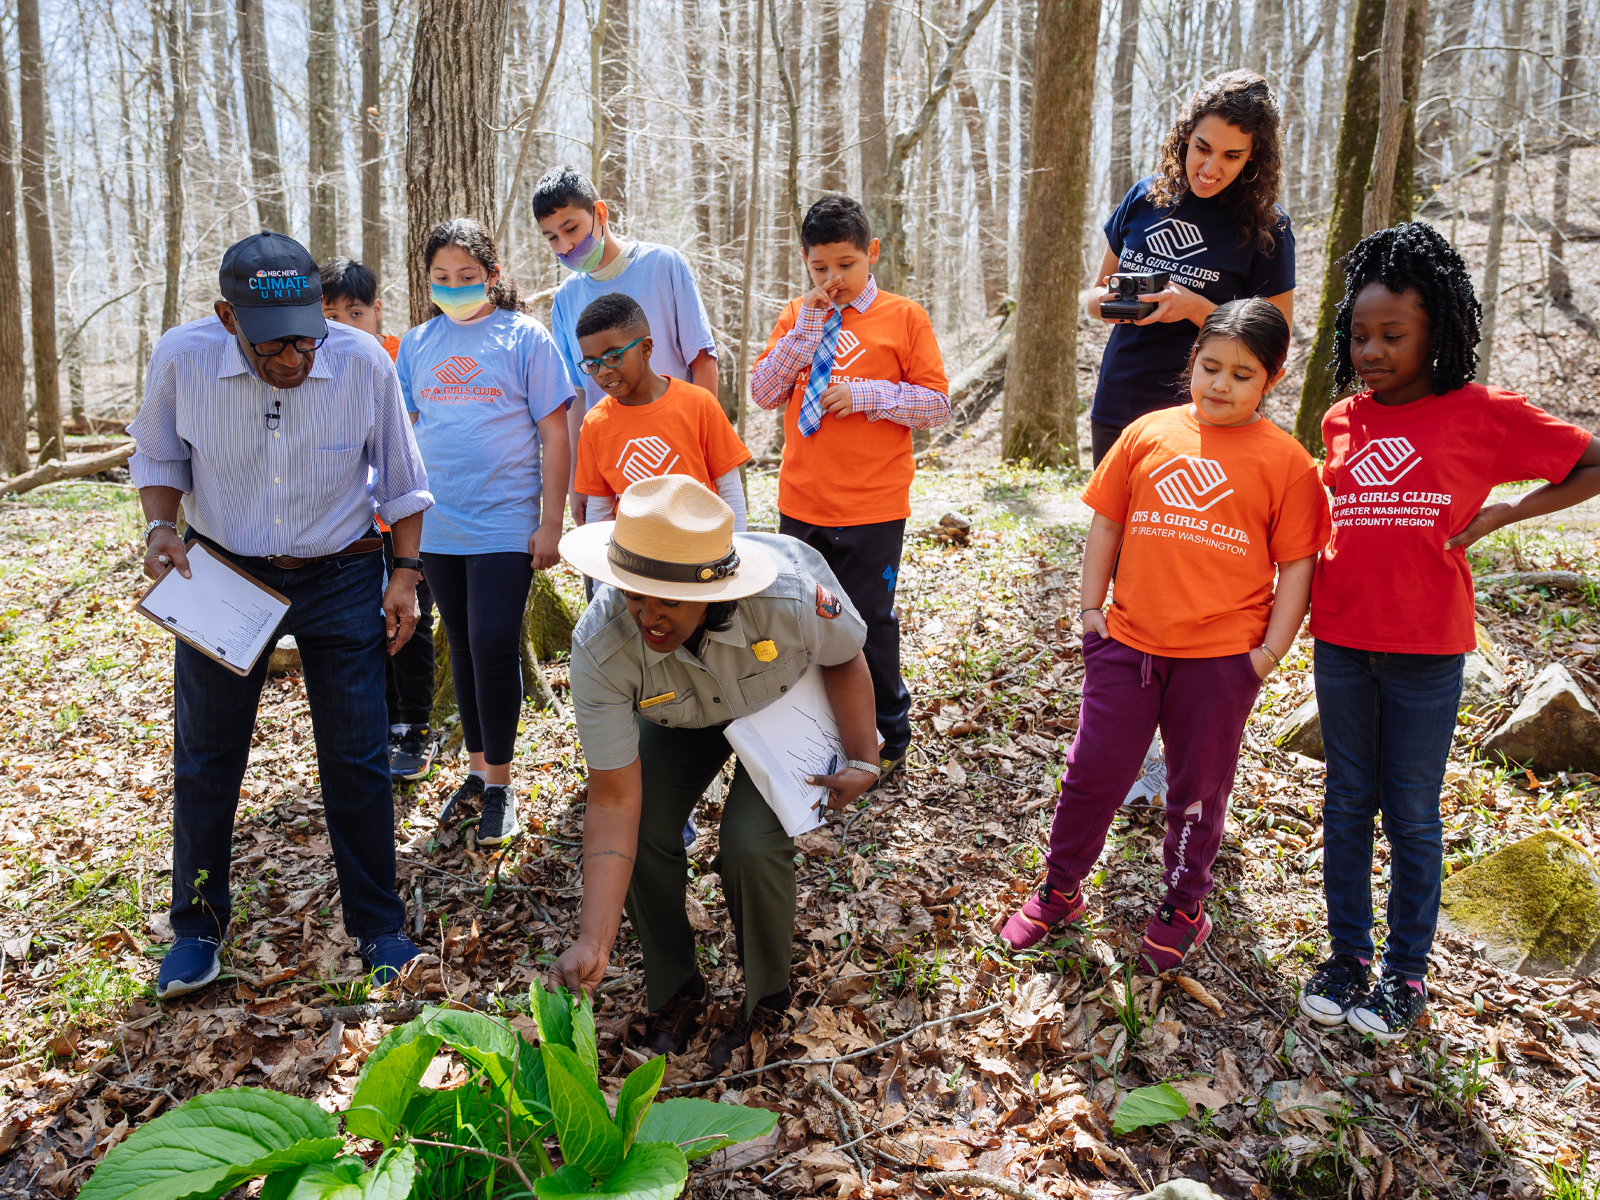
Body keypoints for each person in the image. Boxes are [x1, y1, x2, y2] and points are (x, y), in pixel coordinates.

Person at [1297, 223, 1600, 1040]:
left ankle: (1405, 973)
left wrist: (1509, 509)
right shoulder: (1339, 421)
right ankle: (1347, 956)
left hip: (1428, 649)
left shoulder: (1481, 413)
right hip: (1342, 640)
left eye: (1393, 335)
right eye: (1359, 334)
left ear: (1439, 332)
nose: (1371, 349)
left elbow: (1591, 460)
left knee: (1413, 812)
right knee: (1347, 801)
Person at [130, 231, 430, 999]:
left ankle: (378, 926)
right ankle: (196, 929)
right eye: (273, 344)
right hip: (222, 569)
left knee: (358, 759)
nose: (294, 356)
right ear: (229, 319)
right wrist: (161, 530)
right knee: (206, 756)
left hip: (341, 573)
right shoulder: (182, 358)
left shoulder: (363, 361)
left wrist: (405, 575)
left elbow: (400, 481)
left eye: (306, 336)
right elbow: (160, 459)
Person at [996, 299, 1330, 973]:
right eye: (1210, 367)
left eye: (1242, 374)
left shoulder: (1288, 463)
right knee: (1095, 774)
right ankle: (1060, 889)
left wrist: (1268, 652)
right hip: (1128, 646)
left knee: (1197, 789)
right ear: (1192, 361)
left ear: (1274, 377)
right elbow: (1108, 524)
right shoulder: (1148, 433)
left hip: (1220, 660)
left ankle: (1183, 903)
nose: (1220, 385)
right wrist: (1091, 612)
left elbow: (1297, 565)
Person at [550, 475, 879, 1068]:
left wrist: (863, 759)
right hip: (682, 717)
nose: (648, 616)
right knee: (647, 825)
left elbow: (846, 657)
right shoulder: (602, 645)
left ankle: (768, 998)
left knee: (750, 844)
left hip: (780, 700)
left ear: (713, 589)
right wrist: (593, 940)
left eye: (667, 600)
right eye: (634, 594)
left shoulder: (789, 596)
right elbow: (614, 800)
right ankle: (676, 989)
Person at [751, 195, 949, 780]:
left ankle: (888, 732)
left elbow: (936, 403)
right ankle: (821, 728)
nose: (833, 279)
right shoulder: (797, 317)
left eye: (845, 265)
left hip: (873, 505)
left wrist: (868, 395)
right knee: (808, 621)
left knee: (868, 621)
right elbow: (764, 393)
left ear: (872, 254)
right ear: (806, 263)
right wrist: (803, 333)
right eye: (820, 268)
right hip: (802, 501)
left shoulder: (903, 316)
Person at [396, 218, 574, 846]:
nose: (454, 287)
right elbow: (405, 433)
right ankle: (477, 769)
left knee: (495, 641)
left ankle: (501, 784)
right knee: (465, 646)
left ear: (493, 277)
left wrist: (552, 521)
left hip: (506, 519)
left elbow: (557, 433)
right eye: (441, 279)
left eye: (467, 278)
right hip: (438, 522)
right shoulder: (416, 344)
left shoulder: (525, 338)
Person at [1087, 71, 1295, 466]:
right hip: (1119, 400)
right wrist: (1124, 301)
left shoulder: (1268, 228)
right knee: (1111, 526)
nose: (1210, 168)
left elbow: (1276, 342)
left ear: (1253, 157)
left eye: (1231, 156)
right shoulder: (1145, 197)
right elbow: (1093, 299)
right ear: (1185, 136)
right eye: (1202, 147)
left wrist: (1196, 308)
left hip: (1205, 411)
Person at [534, 166, 719, 527]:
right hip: (609, 467)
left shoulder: (664, 265)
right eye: (552, 238)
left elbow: (702, 360)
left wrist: (706, 449)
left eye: (571, 228)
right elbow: (577, 397)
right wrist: (577, 482)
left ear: (599, 213)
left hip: (681, 458)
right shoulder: (566, 298)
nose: (565, 246)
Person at [320, 256, 439, 782]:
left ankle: (415, 725)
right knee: (365, 626)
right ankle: (385, 721)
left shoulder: (397, 357)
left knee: (412, 619)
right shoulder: (307, 362)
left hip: (405, 521)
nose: (344, 324)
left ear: (376, 312)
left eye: (355, 311)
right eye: (330, 314)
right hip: (349, 527)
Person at [572, 292, 751, 528]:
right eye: (592, 363)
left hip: (703, 551)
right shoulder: (595, 424)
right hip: (636, 556)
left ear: (646, 348)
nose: (602, 371)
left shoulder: (699, 404)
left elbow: (730, 491)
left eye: (613, 357)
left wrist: (733, 551)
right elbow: (599, 510)